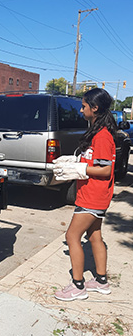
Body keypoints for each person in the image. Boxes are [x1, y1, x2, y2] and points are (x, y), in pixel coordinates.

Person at [52, 88, 117, 301]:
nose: (81, 110)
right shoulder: (97, 133)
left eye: (83, 106)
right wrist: (75, 163)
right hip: (92, 195)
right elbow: (93, 161)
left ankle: (78, 285)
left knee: (71, 236)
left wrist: (81, 169)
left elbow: (106, 169)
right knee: (94, 236)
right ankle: (101, 281)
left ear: (95, 108)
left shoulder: (103, 136)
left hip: (94, 197)